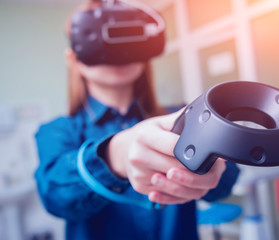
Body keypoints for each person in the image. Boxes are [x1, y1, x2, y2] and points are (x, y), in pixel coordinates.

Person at [34, 1, 240, 240]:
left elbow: (225, 184)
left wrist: (210, 164)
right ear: (74, 59)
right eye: (98, 38)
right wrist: (113, 158)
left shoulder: (184, 116)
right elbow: (56, 197)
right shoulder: (57, 131)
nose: (115, 51)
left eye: (125, 35)